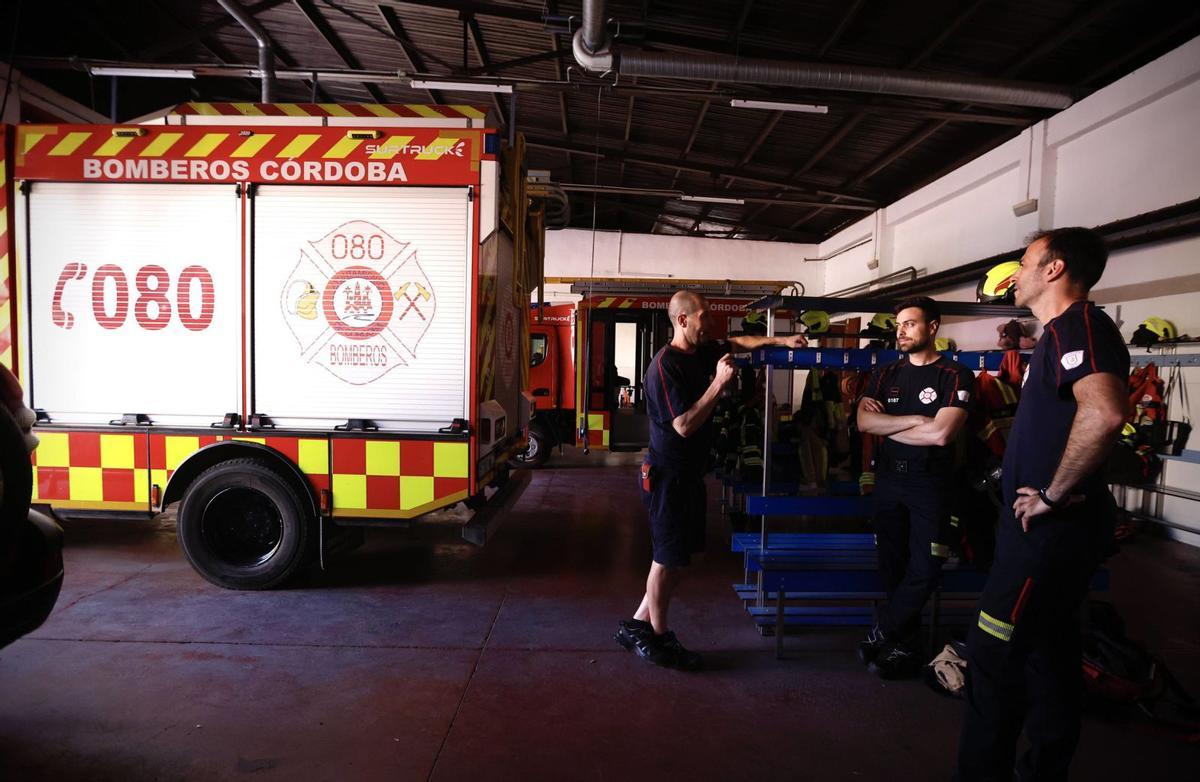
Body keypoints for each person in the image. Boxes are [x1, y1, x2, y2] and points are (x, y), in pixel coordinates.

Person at [957, 228, 1128, 781]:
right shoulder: (1056, 336)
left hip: (1043, 539)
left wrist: (1053, 493)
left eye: (1026, 261)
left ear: (1053, 269)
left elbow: (1103, 414)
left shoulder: (1080, 325)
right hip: (1042, 533)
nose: (1016, 273)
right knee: (1050, 653)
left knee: (992, 653)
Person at [615, 291, 806, 670]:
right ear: (683, 320)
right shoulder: (664, 366)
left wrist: (781, 340)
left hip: (690, 474)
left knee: (683, 559)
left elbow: (737, 342)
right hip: (668, 475)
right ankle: (659, 637)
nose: (712, 322)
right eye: (705, 316)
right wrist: (718, 384)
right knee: (666, 560)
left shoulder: (701, 351)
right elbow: (683, 425)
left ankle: (637, 624)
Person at [855, 296, 975, 678]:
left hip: (931, 484)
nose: (901, 331)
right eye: (899, 325)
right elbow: (864, 424)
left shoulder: (955, 375)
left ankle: (882, 631)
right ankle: (904, 647)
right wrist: (916, 420)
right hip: (890, 479)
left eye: (910, 323)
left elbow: (941, 435)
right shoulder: (885, 374)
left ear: (933, 327)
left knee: (926, 566)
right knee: (892, 566)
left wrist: (893, 423)